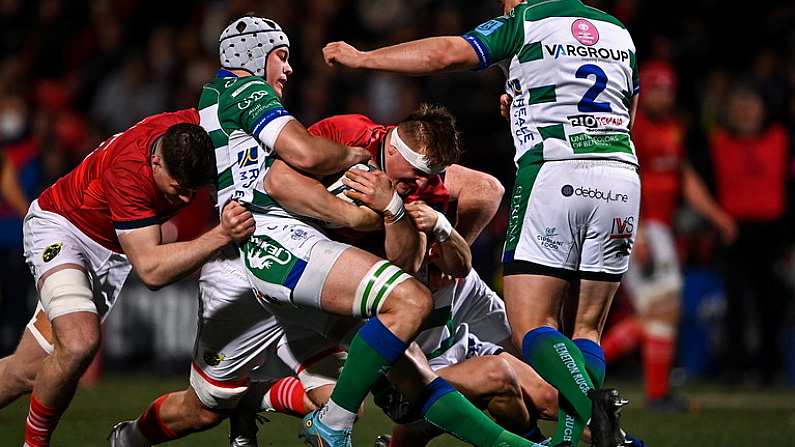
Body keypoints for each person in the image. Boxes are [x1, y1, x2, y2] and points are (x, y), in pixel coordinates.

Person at [114, 16, 537, 447]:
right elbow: (289, 168)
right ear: (253, 56)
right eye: (282, 56)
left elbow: (441, 228)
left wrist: (398, 212)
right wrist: (354, 196)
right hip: (262, 249)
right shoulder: (248, 89)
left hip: (294, 256)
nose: (290, 68)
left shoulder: (400, 181)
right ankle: (310, 421)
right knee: (205, 406)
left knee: (398, 370)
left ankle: (517, 446)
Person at [323, 1, 640, 446]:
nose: (505, 6)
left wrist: (364, 58)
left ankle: (592, 407)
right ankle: (579, 436)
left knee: (532, 325)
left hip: (556, 172)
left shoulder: (527, 19)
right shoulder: (617, 31)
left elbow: (445, 53)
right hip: (622, 173)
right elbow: (626, 112)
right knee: (585, 328)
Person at [0, 108, 256, 447]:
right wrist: (221, 234)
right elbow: (151, 270)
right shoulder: (130, 171)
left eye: (191, 189)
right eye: (178, 188)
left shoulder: (188, 129)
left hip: (111, 249)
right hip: (64, 229)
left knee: (29, 370)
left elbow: (220, 102)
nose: (183, 199)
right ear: (155, 164)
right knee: (78, 343)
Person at [599, 61, 736, 410]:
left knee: (661, 313)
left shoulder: (673, 128)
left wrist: (717, 216)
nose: (665, 95)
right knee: (659, 313)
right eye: (657, 88)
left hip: (658, 230)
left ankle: (656, 392)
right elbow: (622, 176)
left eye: (669, 88)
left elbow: (683, 178)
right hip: (638, 226)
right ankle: (579, 368)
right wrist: (637, 230)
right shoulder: (634, 127)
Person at [709, 84, 790, 383]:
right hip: (733, 231)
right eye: (739, 107)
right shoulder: (717, 142)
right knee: (735, 304)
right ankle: (735, 369)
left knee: (773, 303)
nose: (745, 113)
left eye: (751, 106)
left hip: (772, 233)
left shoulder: (781, 138)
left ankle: (771, 369)